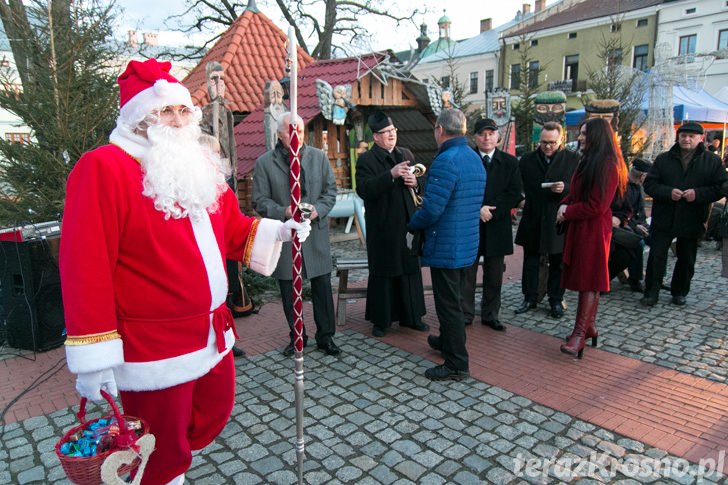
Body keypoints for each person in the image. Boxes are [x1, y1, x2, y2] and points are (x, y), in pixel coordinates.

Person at [59, 59, 310, 485]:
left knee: (209, 415)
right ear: (140, 118)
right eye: (164, 112)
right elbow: (86, 263)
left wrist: (278, 230)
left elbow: (229, 227)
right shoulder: (104, 167)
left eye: (182, 111)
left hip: (211, 333)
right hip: (153, 347)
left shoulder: (195, 165)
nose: (176, 121)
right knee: (159, 450)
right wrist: (95, 354)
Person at [253, 112, 341, 356]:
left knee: (322, 287)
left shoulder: (318, 158)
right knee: (289, 289)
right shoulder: (264, 163)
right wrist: (284, 211)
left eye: (300, 130)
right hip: (285, 235)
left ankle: (326, 337)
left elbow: (330, 193)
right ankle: (297, 336)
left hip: (315, 234)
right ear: (279, 134)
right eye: (291, 131)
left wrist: (317, 211)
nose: (296, 135)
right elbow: (259, 200)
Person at [408, 109, 486, 381]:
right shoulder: (474, 157)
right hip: (466, 242)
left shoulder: (445, 160)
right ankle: (448, 342)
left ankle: (456, 364)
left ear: (440, 129)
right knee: (457, 300)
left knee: (448, 305)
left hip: (447, 245)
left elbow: (432, 210)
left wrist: (412, 224)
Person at [557, 117, 627, 359]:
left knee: (590, 280)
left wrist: (568, 211)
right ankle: (588, 328)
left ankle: (580, 334)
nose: (580, 137)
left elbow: (596, 205)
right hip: (582, 227)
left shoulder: (607, 164)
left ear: (597, 135)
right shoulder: (589, 160)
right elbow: (576, 193)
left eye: (584, 133)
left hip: (594, 229)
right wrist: (564, 205)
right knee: (587, 278)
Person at [355, 111, 428, 337]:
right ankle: (381, 320)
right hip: (383, 226)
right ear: (376, 137)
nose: (391, 135)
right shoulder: (366, 159)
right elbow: (364, 189)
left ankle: (412, 317)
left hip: (407, 223)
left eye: (393, 131)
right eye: (386, 133)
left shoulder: (405, 153)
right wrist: (390, 175)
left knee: (409, 270)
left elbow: (421, 180)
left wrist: (415, 181)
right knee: (384, 272)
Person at [641, 122, 727, 306]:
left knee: (687, 257)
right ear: (678, 137)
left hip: (693, 216)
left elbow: (720, 188)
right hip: (665, 215)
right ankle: (651, 292)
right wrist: (667, 192)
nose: (686, 139)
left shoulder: (712, 161)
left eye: (691, 136)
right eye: (683, 136)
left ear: (700, 139)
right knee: (657, 255)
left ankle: (679, 291)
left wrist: (698, 194)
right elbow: (649, 185)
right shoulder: (663, 159)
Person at [199, 62, 248, 358]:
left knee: (229, 271)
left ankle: (227, 335)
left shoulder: (228, 112)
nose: (219, 84)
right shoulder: (206, 115)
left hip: (227, 183)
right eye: (214, 79)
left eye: (222, 79)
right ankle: (214, 340)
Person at [461, 118, 522, 331]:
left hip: (497, 223)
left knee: (494, 273)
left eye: (490, 133)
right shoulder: (466, 159)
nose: (486, 138)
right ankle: (466, 313)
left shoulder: (509, 162)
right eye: (482, 134)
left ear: (498, 137)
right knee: (467, 272)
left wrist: (491, 210)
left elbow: (514, 193)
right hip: (471, 223)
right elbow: (461, 189)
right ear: (474, 137)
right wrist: (477, 208)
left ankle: (491, 314)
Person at [514, 122, 579, 318]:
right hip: (533, 216)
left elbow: (579, 187)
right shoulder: (527, 160)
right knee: (531, 260)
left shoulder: (572, 159)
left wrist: (565, 188)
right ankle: (530, 297)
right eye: (543, 142)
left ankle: (555, 299)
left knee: (558, 261)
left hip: (557, 219)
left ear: (561, 140)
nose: (548, 146)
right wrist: (521, 200)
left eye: (551, 142)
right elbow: (516, 185)